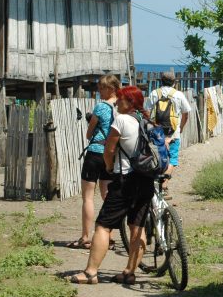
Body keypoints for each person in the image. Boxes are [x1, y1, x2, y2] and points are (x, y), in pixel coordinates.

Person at [70, 86, 154, 285]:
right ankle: (129, 273)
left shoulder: (122, 120)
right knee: (137, 227)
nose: (117, 103)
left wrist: (109, 166)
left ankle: (90, 272)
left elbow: (109, 149)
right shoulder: (148, 121)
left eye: (121, 99)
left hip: (125, 181)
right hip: (146, 180)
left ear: (130, 102)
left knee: (103, 226)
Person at [67, 74, 120, 250]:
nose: (99, 92)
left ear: (111, 88)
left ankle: (85, 237)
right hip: (111, 155)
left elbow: (89, 134)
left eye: (102, 88)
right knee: (107, 195)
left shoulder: (101, 107)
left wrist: (93, 123)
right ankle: (109, 236)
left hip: (96, 153)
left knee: (88, 197)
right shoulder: (121, 107)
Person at [146, 71, 192, 197]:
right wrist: (181, 127)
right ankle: (164, 184)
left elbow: (147, 112)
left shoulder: (154, 93)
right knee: (173, 159)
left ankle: (156, 182)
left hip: (156, 132)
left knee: (157, 156)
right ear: (174, 82)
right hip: (173, 133)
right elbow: (186, 113)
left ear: (160, 80)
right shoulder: (178, 94)